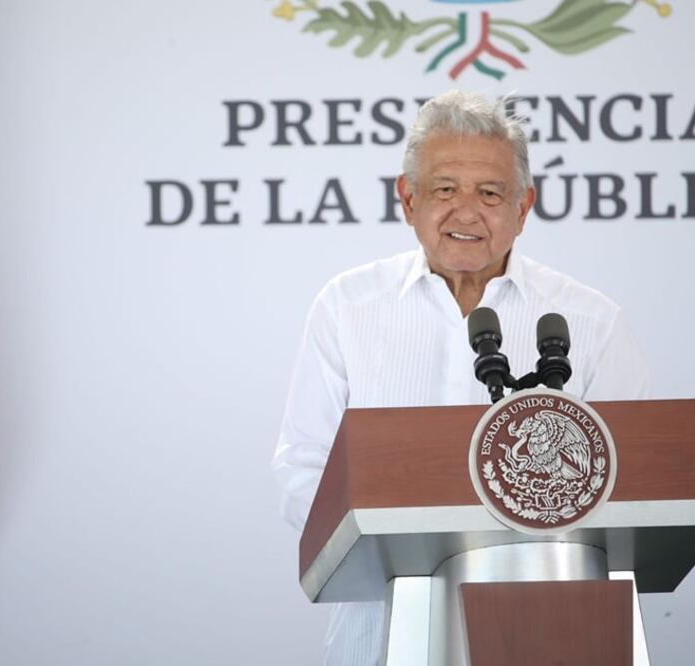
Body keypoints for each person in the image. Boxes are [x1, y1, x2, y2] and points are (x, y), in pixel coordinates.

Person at [271, 90, 650, 666]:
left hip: (554, 626)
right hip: (385, 625)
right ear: (408, 199)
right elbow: (305, 469)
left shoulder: (590, 321)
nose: (466, 212)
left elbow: (639, 484)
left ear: (524, 206)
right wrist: (399, 546)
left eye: (490, 194)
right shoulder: (347, 307)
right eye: (445, 189)